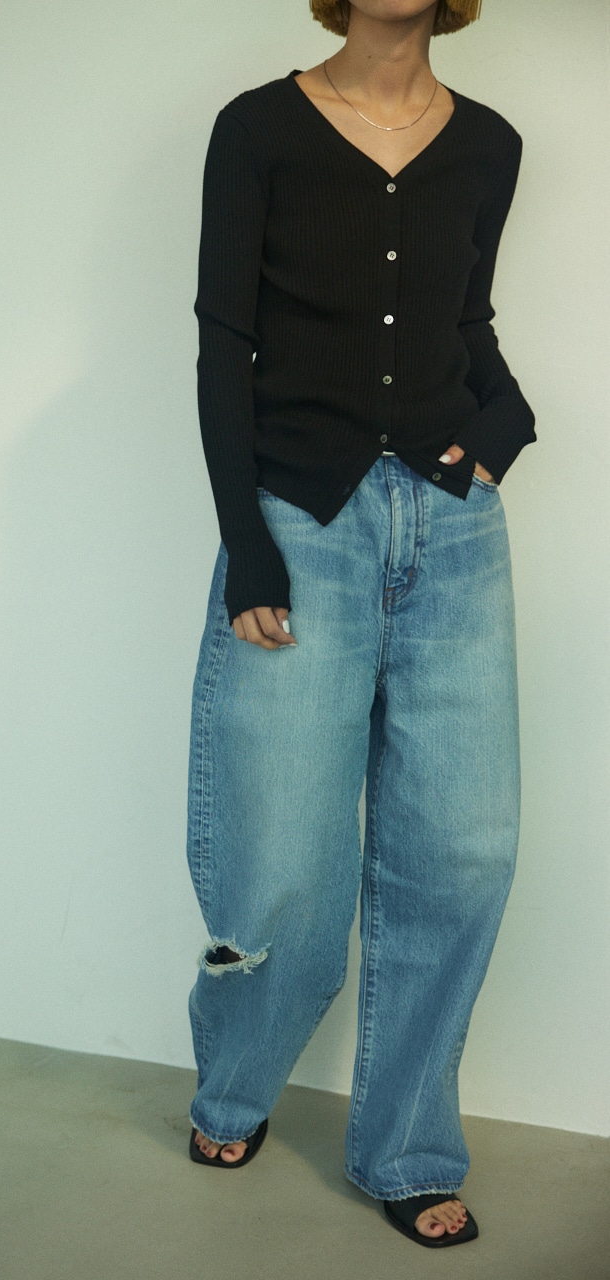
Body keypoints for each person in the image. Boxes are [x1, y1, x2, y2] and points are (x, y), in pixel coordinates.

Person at [185, 0, 535, 1249]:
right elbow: (223, 342)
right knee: (281, 860)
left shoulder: (486, 143)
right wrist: (247, 544)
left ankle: (406, 1148)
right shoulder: (258, 129)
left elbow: (466, 321)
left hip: (452, 531)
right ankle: (233, 1082)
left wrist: (501, 431)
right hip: (301, 523)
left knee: (461, 853)